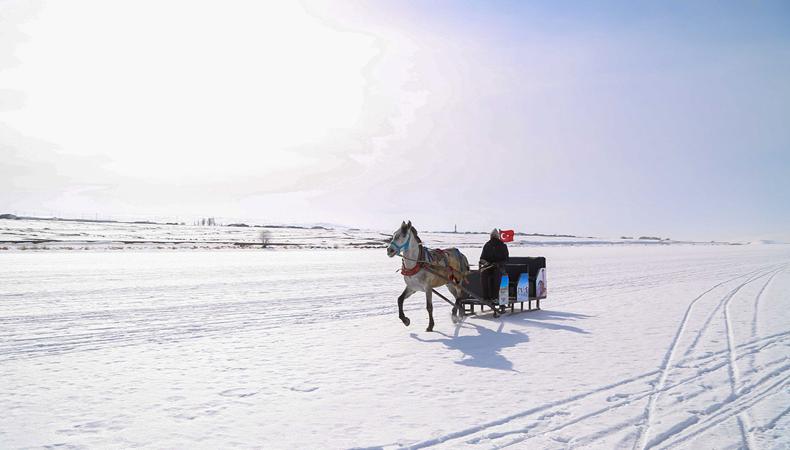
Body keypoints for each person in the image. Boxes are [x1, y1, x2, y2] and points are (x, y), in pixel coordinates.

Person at [479, 228, 509, 301]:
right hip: (488, 267)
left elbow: (506, 260)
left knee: (497, 274)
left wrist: (498, 264)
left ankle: (496, 297)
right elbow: (482, 258)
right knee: (483, 274)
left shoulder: (503, 246)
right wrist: (485, 263)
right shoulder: (487, 245)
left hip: (500, 268)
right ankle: (486, 297)